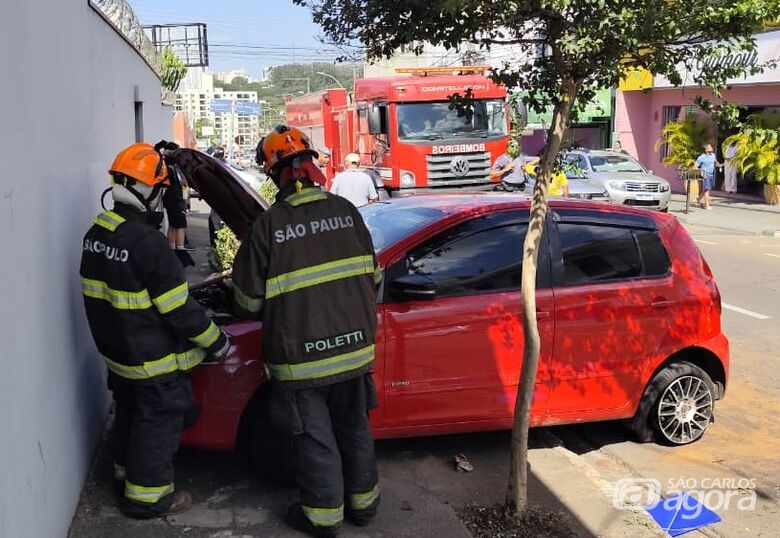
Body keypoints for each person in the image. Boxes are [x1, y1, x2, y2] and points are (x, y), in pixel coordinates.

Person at [233, 126, 381, 537]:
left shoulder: (269, 227)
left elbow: (245, 303)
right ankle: (365, 507)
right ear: (311, 165)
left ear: (274, 174)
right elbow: (374, 277)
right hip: (354, 350)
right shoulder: (347, 212)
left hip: (300, 359)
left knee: (315, 438)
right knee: (354, 428)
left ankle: (323, 517)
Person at [80, 142, 230, 519]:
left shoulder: (97, 235)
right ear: (147, 192)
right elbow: (179, 310)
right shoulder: (149, 244)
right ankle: (148, 499)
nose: (162, 201)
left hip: (119, 354)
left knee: (129, 413)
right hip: (152, 360)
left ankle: (123, 475)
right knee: (158, 423)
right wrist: (217, 342)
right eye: (160, 192)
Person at [695, 144, 722, 209]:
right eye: (710, 147)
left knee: (706, 189)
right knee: (707, 190)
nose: (712, 148)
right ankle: (707, 205)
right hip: (705, 175)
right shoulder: (701, 157)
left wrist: (721, 165)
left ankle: (698, 199)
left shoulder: (713, 155)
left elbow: (716, 163)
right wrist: (701, 172)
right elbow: (695, 166)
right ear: (706, 149)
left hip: (711, 175)